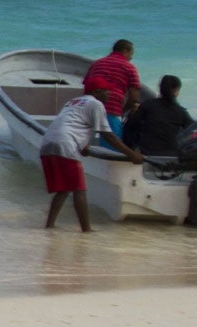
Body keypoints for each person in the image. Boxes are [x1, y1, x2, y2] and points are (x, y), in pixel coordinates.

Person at [38, 92, 143, 232]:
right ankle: (86, 230)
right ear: (97, 90)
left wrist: (82, 145)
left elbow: (73, 124)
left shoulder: (73, 101)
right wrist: (131, 154)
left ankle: (49, 226)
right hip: (66, 145)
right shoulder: (96, 104)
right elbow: (108, 135)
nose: (109, 95)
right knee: (79, 190)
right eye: (106, 91)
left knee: (64, 190)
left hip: (47, 143)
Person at [82, 40, 142, 139]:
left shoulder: (97, 63)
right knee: (111, 149)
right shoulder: (130, 68)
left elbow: (87, 87)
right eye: (131, 54)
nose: (131, 58)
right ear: (125, 51)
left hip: (89, 108)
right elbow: (133, 98)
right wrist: (122, 111)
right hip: (112, 109)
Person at [122, 75, 192, 156]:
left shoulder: (148, 105)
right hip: (171, 155)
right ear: (176, 91)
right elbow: (192, 129)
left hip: (146, 153)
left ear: (160, 88)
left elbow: (132, 124)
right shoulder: (181, 111)